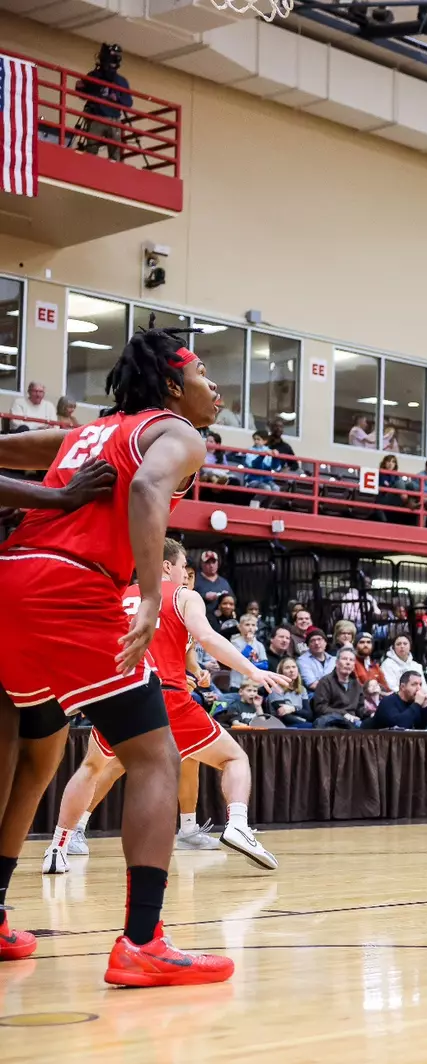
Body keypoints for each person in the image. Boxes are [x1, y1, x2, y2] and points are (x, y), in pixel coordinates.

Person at [0, 322, 235, 985]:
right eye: (202, 374)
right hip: (72, 592)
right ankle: (142, 942)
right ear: (169, 385)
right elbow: (142, 491)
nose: (214, 386)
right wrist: (155, 595)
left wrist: (47, 496)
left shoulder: (83, 434)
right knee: (154, 757)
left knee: (33, 753)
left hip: (8, 581)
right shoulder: (176, 435)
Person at [43, 538, 287, 876]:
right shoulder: (183, 597)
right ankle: (237, 824)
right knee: (234, 758)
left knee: (92, 768)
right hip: (166, 697)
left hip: (119, 696)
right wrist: (253, 670)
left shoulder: (117, 595)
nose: (187, 574)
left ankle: (57, 846)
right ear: (165, 566)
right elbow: (209, 639)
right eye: (183, 566)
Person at [74, 43, 133, 159]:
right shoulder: (94, 75)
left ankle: (115, 167)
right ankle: (90, 164)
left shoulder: (121, 81)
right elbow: (84, 94)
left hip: (114, 120)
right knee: (91, 148)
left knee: (115, 151)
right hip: (96, 116)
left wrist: (117, 99)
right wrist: (79, 88)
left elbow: (128, 102)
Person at [312, 650, 369, 729]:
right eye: (345, 659)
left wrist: (371, 713)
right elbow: (320, 707)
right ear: (337, 663)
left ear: (353, 665)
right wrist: (343, 714)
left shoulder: (357, 684)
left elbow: (360, 709)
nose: (348, 662)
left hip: (353, 721)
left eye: (351, 660)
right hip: (333, 722)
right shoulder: (325, 682)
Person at [193, 548, 232, 612]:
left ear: (217, 563)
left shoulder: (224, 582)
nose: (211, 565)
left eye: (213, 562)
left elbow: (233, 600)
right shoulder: (194, 579)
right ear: (202, 564)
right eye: (208, 562)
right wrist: (204, 596)